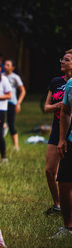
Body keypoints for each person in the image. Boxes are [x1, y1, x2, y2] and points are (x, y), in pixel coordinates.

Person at [44, 50, 72, 216]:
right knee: (49, 170)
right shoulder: (56, 82)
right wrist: (56, 107)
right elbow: (46, 107)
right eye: (62, 59)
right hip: (57, 128)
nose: (62, 61)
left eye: (66, 60)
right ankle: (58, 204)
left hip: (70, 129)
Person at [53, 76, 72, 238]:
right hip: (70, 141)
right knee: (64, 183)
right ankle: (68, 228)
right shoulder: (70, 84)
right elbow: (66, 111)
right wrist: (61, 138)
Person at [3, 59, 26, 150]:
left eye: (8, 65)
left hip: (12, 102)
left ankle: (16, 146)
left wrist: (18, 103)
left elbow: (23, 91)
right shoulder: (1, 76)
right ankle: (5, 128)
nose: (5, 66)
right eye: (5, 64)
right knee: (1, 122)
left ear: (12, 67)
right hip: (2, 102)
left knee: (11, 123)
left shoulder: (15, 77)